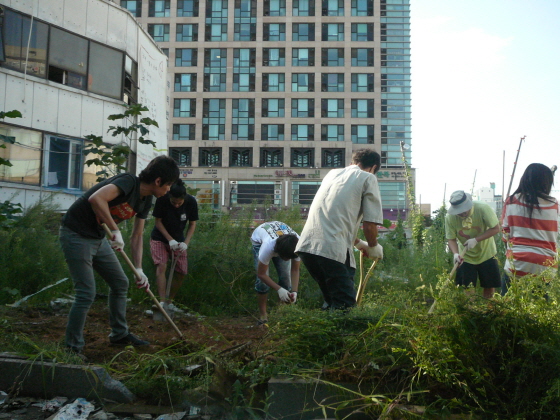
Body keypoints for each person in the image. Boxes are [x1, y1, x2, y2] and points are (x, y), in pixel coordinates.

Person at [59, 155, 179, 355]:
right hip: (76, 234)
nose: (168, 190)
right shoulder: (128, 182)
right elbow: (96, 198)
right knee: (86, 292)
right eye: (168, 185)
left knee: (120, 283)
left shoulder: (146, 199)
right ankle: (72, 348)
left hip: (97, 238)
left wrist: (139, 269)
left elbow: (137, 235)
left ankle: (119, 334)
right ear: (158, 181)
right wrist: (115, 230)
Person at [295, 149, 384, 310]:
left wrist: (359, 244)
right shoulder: (368, 178)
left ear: (353, 162)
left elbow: (334, 219)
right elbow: (370, 224)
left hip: (307, 247)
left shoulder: (332, 175)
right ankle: (343, 334)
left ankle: (322, 333)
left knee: (331, 300)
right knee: (345, 306)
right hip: (331, 250)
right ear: (373, 168)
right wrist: (373, 246)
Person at [501, 163, 559, 294]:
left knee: (504, 307)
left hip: (517, 262)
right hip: (546, 265)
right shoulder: (554, 204)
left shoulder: (512, 201)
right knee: (540, 308)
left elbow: (506, 235)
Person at [150, 179, 199, 311]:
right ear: (169, 197)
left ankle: (169, 302)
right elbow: (158, 222)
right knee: (161, 266)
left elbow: (192, 224)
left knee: (181, 271)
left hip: (179, 241)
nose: (176, 205)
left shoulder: (191, 202)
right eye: (173, 202)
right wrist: (169, 239)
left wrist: (185, 243)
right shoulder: (162, 200)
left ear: (184, 199)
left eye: (179, 203)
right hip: (159, 238)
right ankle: (161, 303)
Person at [445, 190, 500, 299]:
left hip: (487, 253)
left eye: (463, 210)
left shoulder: (483, 208)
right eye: (458, 211)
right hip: (465, 257)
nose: (461, 213)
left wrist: (476, 240)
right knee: (467, 287)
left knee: (489, 285)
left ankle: (489, 311)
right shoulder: (450, 217)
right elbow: (451, 239)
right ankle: (470, 312)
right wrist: (456, 254)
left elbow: (496, 228)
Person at [251, 221, 301, 324]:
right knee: (262, 283)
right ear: (278, 252)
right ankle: (263, 316)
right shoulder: (268, 247)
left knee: (286, 280)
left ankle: (279, 314)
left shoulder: (299, 245)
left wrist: (294, 291)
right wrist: (278, 289)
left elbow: (295, 270)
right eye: (285, 258)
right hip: (259, 241)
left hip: (284, 243)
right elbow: (261, 274)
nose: (287, 260)